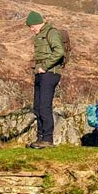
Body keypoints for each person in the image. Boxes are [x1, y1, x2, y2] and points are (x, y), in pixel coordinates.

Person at [26, 11, 65, 149]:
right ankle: (40, 137)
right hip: (40, 73)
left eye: (31, 26)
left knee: (44, 106)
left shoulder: (51, 32)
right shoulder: (40, 35)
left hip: (50, 73)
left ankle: (47, 138)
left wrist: (45, 66)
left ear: (36, 23)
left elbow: (59, 51)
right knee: (37, 107)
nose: (31, 30)